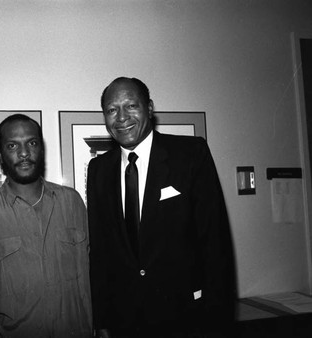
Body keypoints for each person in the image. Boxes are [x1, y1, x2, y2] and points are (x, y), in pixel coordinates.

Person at [87, 77, 236, 338]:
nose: (121, 117)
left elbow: (216, 242)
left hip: (187, 318)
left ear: (150, 108)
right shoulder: (98, 169)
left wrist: (218, 321)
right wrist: (101, 321)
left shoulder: (190, 154)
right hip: (125, 322)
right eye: (112, 110)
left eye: (131, 106)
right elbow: (100, 253)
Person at [0, 114, 92, 338]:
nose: (24, 153)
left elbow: (95, 269)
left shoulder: (72, 202)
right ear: (0, 154)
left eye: (32, 143)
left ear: (41, 149)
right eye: (12, 145)